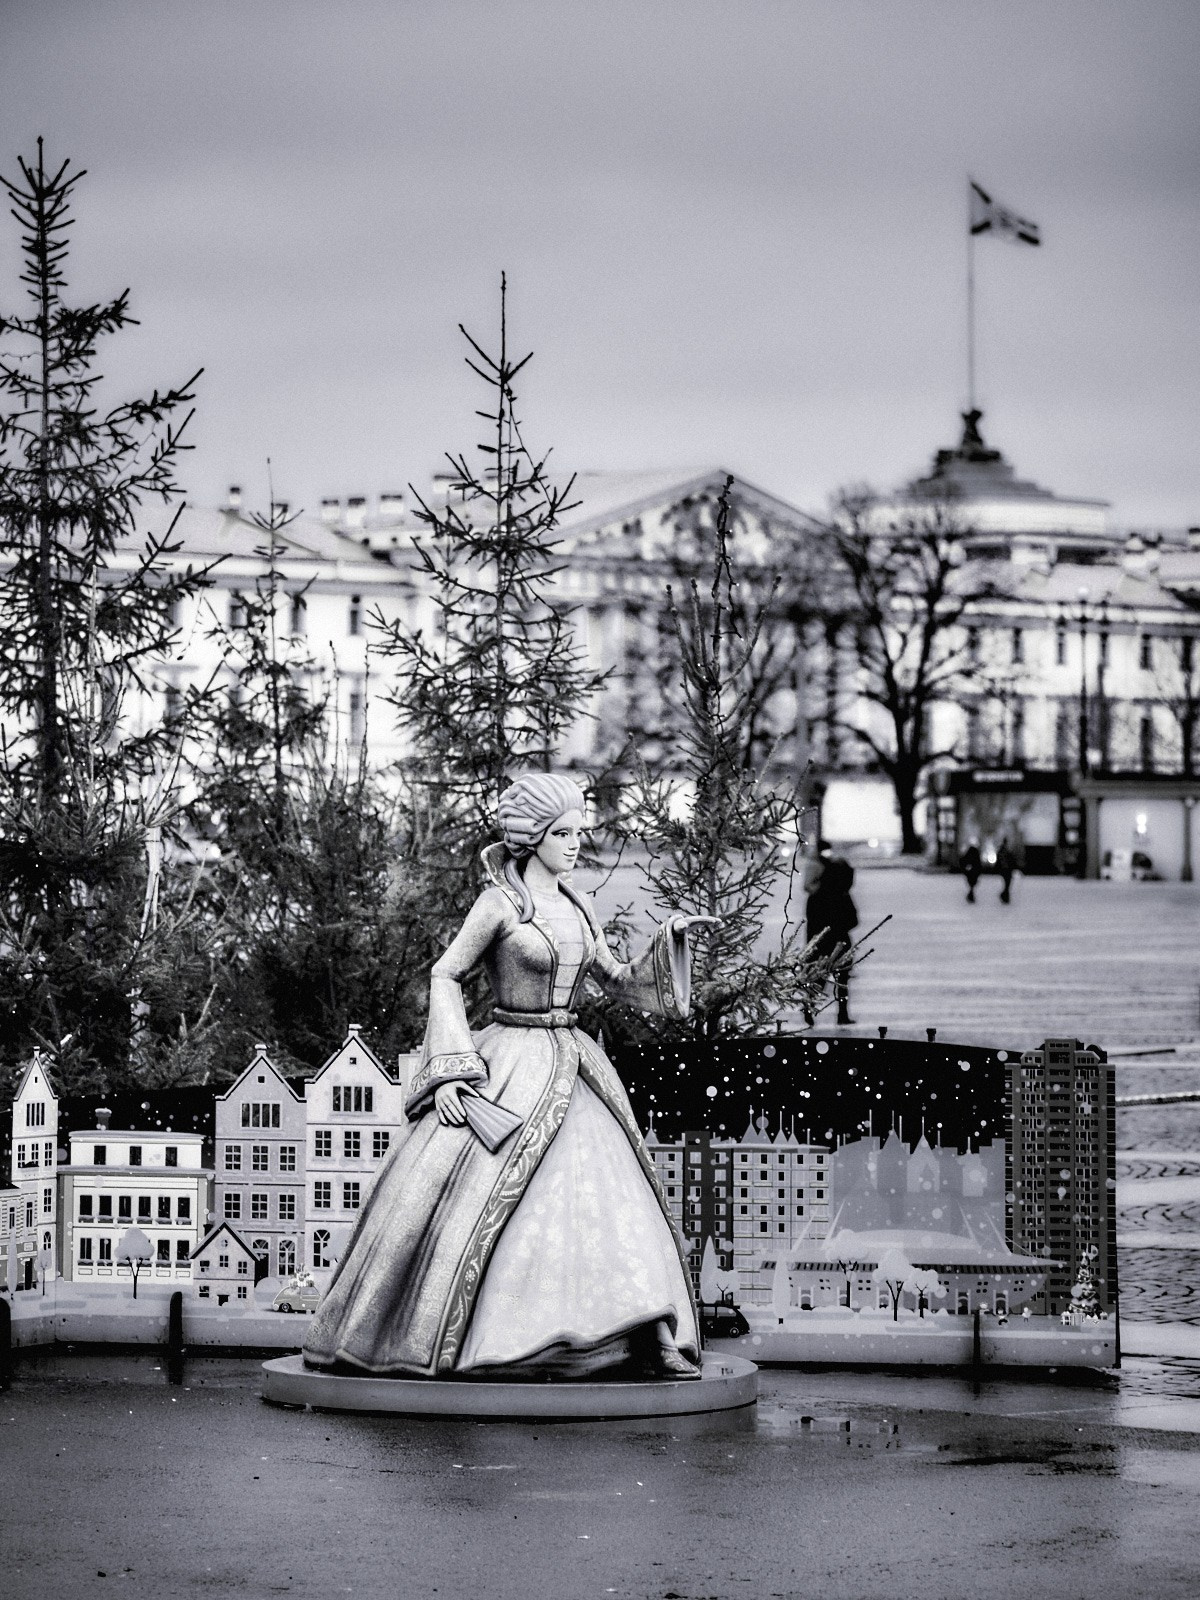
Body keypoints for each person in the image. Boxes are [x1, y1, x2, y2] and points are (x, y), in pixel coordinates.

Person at [303, 773, 716, 1382]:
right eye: (563, 833)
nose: (576, 844)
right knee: (484, 1207)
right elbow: (446, 975)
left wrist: (669, 940)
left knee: (610, 1199)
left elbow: (618, 979)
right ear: (533, 838)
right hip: (509, 1065)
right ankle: (514, 1343)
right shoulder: (499, 903)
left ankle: (640, 1333)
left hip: (576, 1067)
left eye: (580, 832)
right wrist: (449, 1073)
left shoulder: (578, 905)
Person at [805, 840, 858, 1026]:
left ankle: (809, 1009)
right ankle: (842, 1014)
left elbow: (812, 924)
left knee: (818, 977)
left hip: (819, 943)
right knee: (842, 979)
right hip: (841, 942)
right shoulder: (843, 896)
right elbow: (854, 920)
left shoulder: (816, 899)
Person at [960, 839, 982, 904]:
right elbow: (978, 863)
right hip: (974, 871)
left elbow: (963, 860)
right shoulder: (976, 853)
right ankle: (971, 896)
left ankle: (971, 896)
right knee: (972, 884)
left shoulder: (969, 852)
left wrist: (965, 869)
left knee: (971, 884)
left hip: (970, 871)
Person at [996, 836, 1016, 904]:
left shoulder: (1002, 850)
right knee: (1007, 884)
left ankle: (1005, 897)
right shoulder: (1004, 850)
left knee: (1007, 884)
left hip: (1005, 870)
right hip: (1006, 870)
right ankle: (1005, 897)